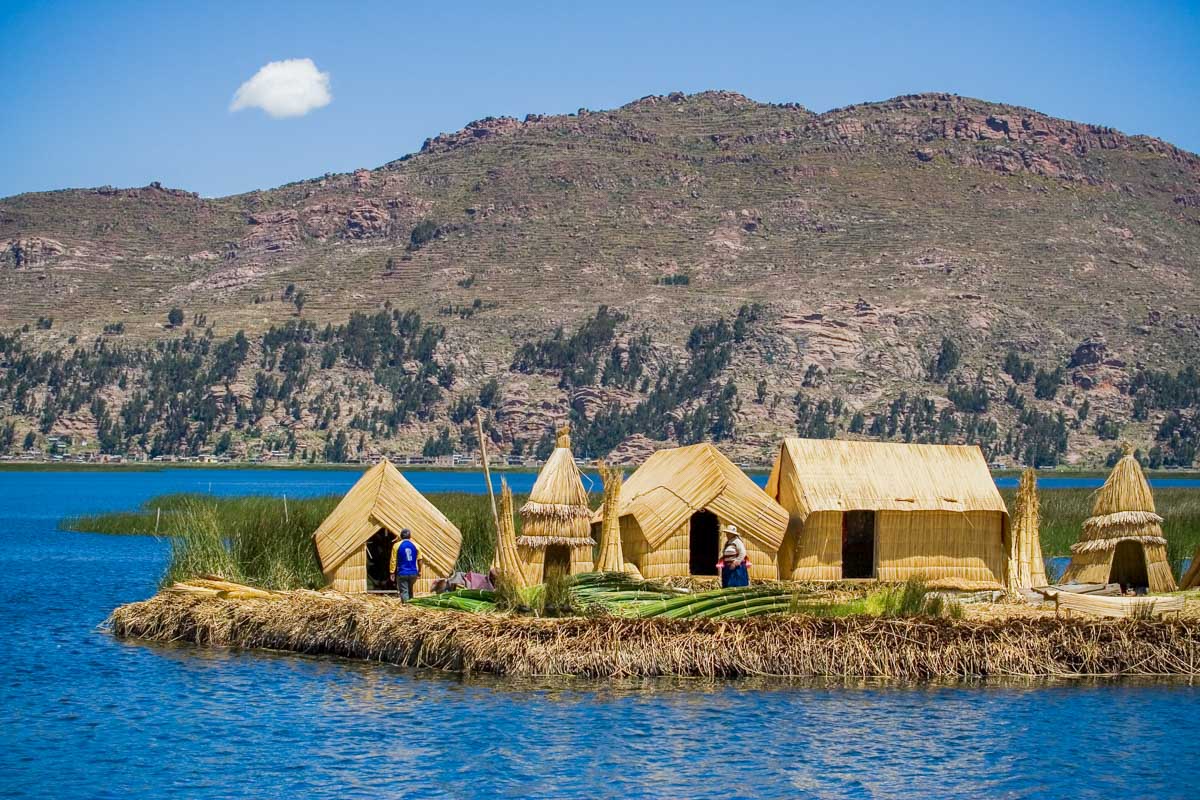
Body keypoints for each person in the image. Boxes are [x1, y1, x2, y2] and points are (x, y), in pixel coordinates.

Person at [390, 528, 421, 601]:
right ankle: (412, 605)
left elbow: (393, 560)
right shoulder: (416, 545)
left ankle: (407, 607)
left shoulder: (396, 545)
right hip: (413, 573)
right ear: (410, 536)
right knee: (410, 591)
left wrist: (392, 572)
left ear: (401, 537)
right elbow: (420, 559)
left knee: (404, 591)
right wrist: (419, 571)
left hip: (402, 573)